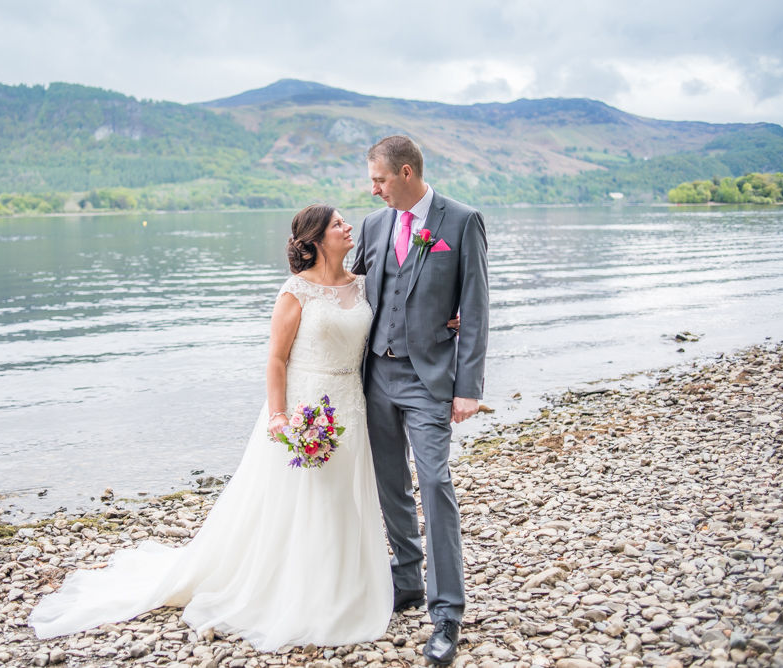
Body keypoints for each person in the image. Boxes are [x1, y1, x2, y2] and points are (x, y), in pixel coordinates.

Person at [29, 204, 394, 651]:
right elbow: (277, 359)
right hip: (305, 408)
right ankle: (296, 590)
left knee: (344, 497)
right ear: (317, 239)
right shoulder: (296, 292)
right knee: (302, 499)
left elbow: (398, 318)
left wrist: (445, 321)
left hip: (349, 405)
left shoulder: (361, 285)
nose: (348, 226)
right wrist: (280, 416)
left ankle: (344, 586)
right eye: (338, 223)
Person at [351, 135, 489, 665]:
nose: (374, 189)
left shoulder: (461, 220)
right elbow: (350, 285)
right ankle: (406, 581)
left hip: (430, 378)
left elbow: (474, 306)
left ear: (405, 173)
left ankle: (448, 612)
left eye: (380, 180)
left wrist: (468, 387)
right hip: (375, 377)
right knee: (390, 485)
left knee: (434, 482)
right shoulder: (373, 225)